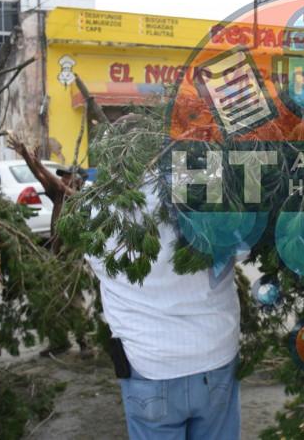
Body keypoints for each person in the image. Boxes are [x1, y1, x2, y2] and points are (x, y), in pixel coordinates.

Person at [88, 178, 241, 439]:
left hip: (151, 363)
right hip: (215, 353)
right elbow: (244, 245)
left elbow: (97, 260)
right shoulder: (206, 183)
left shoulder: (102, 201)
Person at [6, 133, 90, 355]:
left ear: (79, 182)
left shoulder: (76, 198)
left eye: (67, 177)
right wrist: (27, 158)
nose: (62, 179)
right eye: (62, 176)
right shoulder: (59, 196)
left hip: (73, 259)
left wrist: (37, 161)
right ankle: (60, 342)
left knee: (74, 300)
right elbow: (42, 178)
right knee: (52, 298)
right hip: (58, 256)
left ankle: (85, 344)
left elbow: (56, 184)